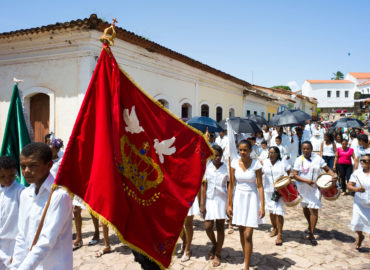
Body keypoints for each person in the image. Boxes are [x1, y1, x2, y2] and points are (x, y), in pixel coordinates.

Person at [10, 142, 72, 269]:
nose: (26, 171)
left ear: (49, 165)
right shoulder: (25, 194)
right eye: (23, 166)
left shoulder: (58, 196)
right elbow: (21, 236)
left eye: (33, 166)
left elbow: (46, 241)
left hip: (54, 265)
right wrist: (15, 266)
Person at [227, 140, 265, 270]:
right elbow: (231, 184)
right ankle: (246, 257)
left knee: (248, 234)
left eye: (245, 150)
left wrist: (262, 206)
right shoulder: (233, 163)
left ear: (250, 150)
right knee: (242, 231)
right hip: (238, 198)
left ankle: (246, 266)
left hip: (252, 198)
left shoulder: (256, 165)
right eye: (240, 150)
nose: (242, 152)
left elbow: (260, 186)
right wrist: (229, 204)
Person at [290, 141, 337, 245]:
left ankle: (311, 233)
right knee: (306, 208)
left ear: (311, 149)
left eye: (307, 148)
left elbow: (327, 169)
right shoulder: (298, 160)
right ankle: (309, 225)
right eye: (304, 149)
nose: (306, 150)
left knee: (314, 209)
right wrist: (306, 181)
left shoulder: (318, 159)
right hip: (303, 188)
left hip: (315, 188)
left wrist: (333, 175)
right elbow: (295, 174)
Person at [200, 145, 228, 267]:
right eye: (214, 155)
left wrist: (229, 204)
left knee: (220, 227)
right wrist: (202, 203)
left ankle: (218, 253)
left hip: (222, 199)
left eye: (218, 155)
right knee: (207, 226)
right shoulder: (207, 167)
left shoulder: (226, 168)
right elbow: (203, 185)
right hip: (210, 199)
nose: (216, 157)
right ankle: (215, 243)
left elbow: (230, 186)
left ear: (222, 155)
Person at [262, 147, 291, 245]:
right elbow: (260, 173)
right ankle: (274, 228)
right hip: (268, 190)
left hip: (279, 191)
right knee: (271, 211)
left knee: (279, 212)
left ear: (278, 154)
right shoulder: (265, 163)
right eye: (269, 152)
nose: (271, 154)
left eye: (273, 153)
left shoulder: (282, 164)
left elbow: (288, 174)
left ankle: (280, 234)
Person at [0, 156, 24, 270]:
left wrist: (18, 251)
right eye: (2, 176)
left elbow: (25, 222)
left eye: (11, 175)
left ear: (15, 171)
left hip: (14, 245)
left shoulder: (21, 191)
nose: (7, 179)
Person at [347, 154, 370, 249]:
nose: (362, 163)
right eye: (361, 160)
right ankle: (360, 236)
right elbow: (349, 185)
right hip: (359, 203)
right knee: (356, 223)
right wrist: (357, 189)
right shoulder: (357, 173)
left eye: (365, 161)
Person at [180, 190, 200, 262]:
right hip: (176, 192)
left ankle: (187, 249)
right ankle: (185, 242)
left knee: (188, 224)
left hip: (189, 193)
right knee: (177, 223)